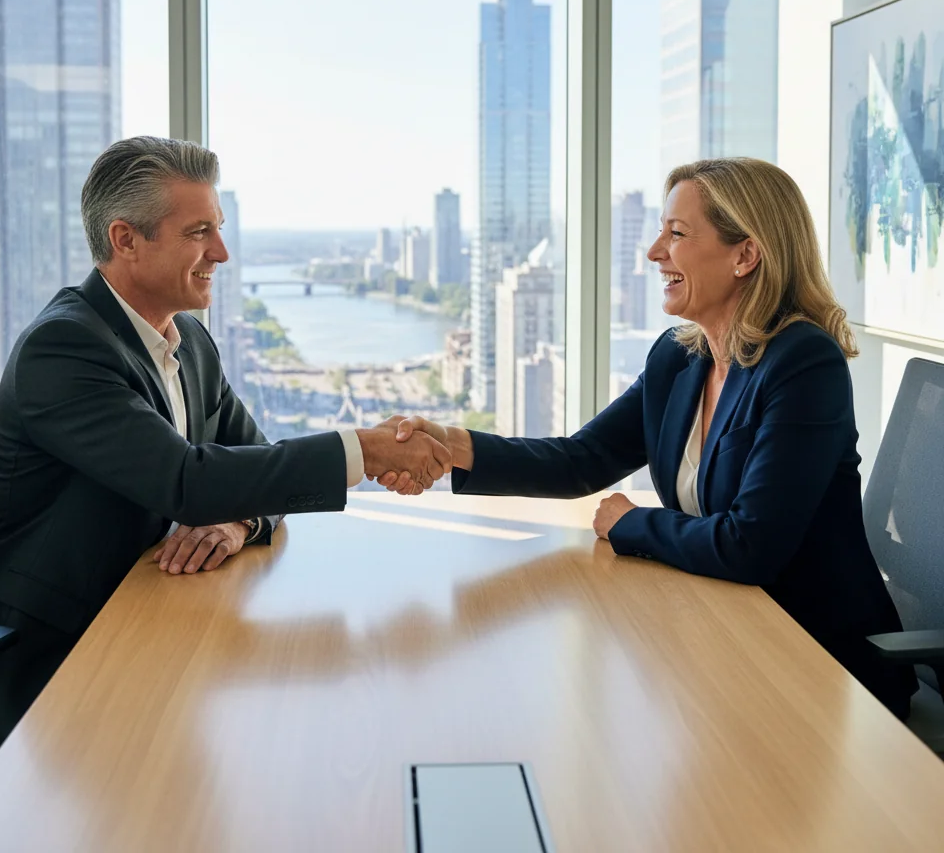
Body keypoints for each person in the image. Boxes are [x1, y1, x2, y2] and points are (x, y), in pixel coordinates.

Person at [0, 135, 451, 758]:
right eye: (198, 232)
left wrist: (239, 521)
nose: (221, 251)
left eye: (217, 228)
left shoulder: (189, 339)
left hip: (150, 621)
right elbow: (187, 482)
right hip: (57, 661)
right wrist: (368, 451)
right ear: (125, 240)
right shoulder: (64, 351)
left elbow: (253, 462)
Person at [379, 157, 917, 718]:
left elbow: (748, 547)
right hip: (725, 637)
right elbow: (580, 461)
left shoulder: (804, 364)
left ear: (745, 255)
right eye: (661, 231)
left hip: (817, 667)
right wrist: (450, 445)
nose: (654, 251)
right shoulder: (678, 358)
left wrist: (628, 523)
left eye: (676, 234)